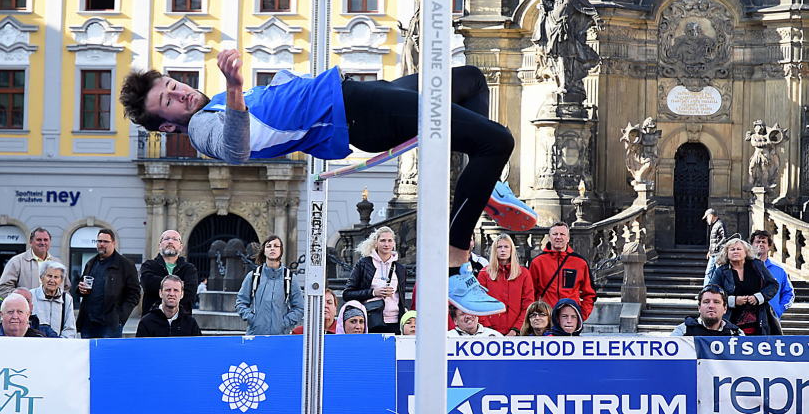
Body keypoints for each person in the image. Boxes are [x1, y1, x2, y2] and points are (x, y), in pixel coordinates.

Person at [120, 49, 537, 314]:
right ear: (169, 127)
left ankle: (486, 187)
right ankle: (453, 263)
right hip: (356, 114)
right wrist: (234, 86)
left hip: (351, 95)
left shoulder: (208, 104)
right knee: (497, 141)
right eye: (168, 102)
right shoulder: (201, 128)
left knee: (469, 81)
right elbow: (234, 148)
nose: (181, 95)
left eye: (174, 86)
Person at [76, 228, 142, 339]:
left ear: (113, 243)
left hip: (110, 324)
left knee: (109, 355)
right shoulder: (91, 263)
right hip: (88, 323)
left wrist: (120, 318)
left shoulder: (125, 264)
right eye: (99, 241)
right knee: (89, 356)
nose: (102, 244)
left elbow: (134, 294)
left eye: (106, 242)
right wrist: (80, 288)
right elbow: (81, 285)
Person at [708, 237, 781, 335]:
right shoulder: (721, 271)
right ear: (727, 253)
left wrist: (759, 297)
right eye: (732, 249)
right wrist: (733, 301)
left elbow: (773, 285)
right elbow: (711, 292)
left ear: (746, 252)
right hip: (730, 319)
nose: (735, 252)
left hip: (759, 319)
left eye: (739, 249)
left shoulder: (757, 266)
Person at [343, 227, 411, 333]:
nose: (386, 244)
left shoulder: (400, 268)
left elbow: (400, 297)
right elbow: (347, 294)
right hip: (370, 319)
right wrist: (374, 292)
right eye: (382, 240)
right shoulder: (364, 264)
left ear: (394, 243)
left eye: (390, 240)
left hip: (394, 321)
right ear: (376, 243)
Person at [236, 235, 304, 335]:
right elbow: (240, 303)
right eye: (269, 246)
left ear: (281, 250)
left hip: (280, 338)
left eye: (276, 246)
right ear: (264, 251)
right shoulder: (253, 276)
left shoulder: (290, 278)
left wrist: (284, 322)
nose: (272, 248)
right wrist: (253, 319)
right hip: (255, 336)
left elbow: (299, 308)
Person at [528, 222, 596, 319]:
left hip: (569, 319)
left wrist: (581, 316)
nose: (558, 237)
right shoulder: (537, 262)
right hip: (545, 317)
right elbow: (530, 293)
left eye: (562, 234)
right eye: (555, 234)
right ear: (549, 238)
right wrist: (535, 315)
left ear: (568, 238)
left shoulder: (580, 263)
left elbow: (590, 294)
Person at [477, 234, 535, 335]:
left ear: (511, 250)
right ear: (495, 250)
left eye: (506, 247)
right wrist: (488, 329)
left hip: (517, 332)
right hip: (489, 333)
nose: (502, 250)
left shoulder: (523, 273)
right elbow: (478, 303)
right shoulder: (484, 273)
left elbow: (528, 304)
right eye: (499, 247)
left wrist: (516, 329)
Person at [140, 230, 198, 317]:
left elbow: (191, 292)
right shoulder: (148, 265)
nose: (170, 241)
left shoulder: (189, 269)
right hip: (152, 319)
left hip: (181, 320)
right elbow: (147, 284)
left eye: (175, 239)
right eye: (166, 239)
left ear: (181, 247)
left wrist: (161, 287)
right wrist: (179, 285)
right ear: (159, 246)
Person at [0, 227, 66, 297]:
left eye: (46, 240)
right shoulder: (17, 261)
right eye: (39, 240)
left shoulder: (57, 263)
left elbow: (66, 287)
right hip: (28, 307)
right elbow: (4, 288)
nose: (42, 243)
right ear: (31, 242)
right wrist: (21, 302)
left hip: (53, 306)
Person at [137, 275, 202, 337]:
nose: (172, 294)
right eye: (168, 290)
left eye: (176, 290)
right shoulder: (146, 323)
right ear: (160, 293)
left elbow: (199, 347)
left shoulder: (190, 323)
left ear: (182, 294)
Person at [749, 230, 794, 318]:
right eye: (757, 241)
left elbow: (789, 293)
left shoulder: (779, 270)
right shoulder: (745, 267)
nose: (760, 244)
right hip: (749, 317)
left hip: (772, 318)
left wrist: (779, 309)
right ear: (751, 245)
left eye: (764, 242)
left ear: (769, 246)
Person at [29, 260, 78, 339]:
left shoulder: (67, 299)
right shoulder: (31, 295)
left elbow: (70, 329)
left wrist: (60, 343)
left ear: (61, 281)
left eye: (56, 277)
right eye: (49, 276)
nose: (52, 280)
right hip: (36, 343)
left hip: (59, 345)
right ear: (41, 278)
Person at [671, 284, 744, 336]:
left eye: (716, 302)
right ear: (699, 307)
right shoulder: (682, 331)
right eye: (706, 302)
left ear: (725, 308)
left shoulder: (736, 334)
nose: (711, 306)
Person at [703, 209, 727, 286]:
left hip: (717, 253)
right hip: (714, 253)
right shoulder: (715, 225)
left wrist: (716, 247)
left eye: (707, 218)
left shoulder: (719, 224)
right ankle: (708, 290)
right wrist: (710, 251)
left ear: (711, 216)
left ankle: (709, 289)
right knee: (711, 273)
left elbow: (725, 238)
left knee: (713, 273)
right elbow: (715, 240)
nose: (706, 220)